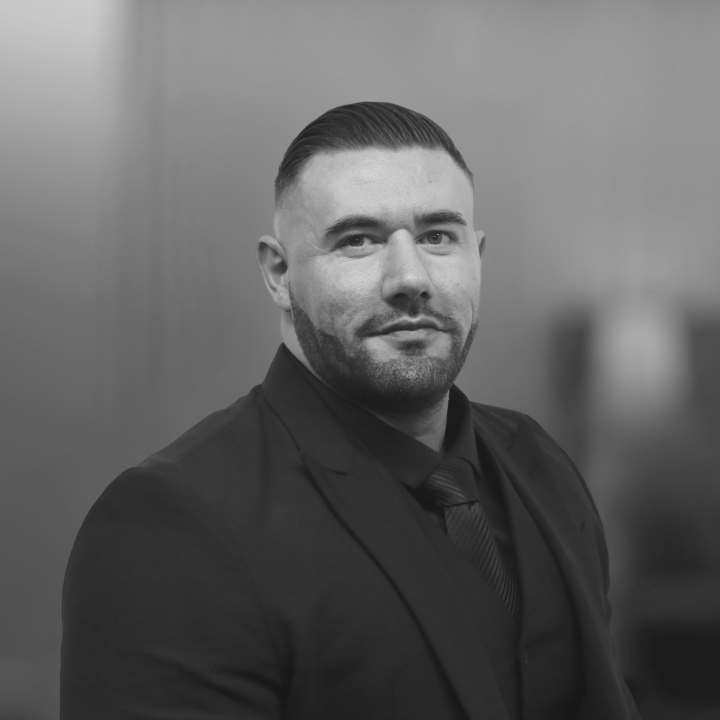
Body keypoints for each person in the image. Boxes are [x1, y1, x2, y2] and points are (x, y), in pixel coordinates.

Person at [61, 102, 640, 720]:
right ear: (279, 273)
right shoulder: (174, 524)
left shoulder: (539, 462)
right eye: (357, 240)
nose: (410, 277)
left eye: (437, 236)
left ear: (477, 256)